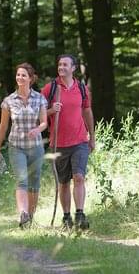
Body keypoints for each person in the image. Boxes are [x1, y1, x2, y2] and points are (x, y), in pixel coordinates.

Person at [41, 54, 95, 230]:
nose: (61, 67)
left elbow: (87, 112)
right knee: (63, 182)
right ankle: (66, 217)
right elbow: (37, 115)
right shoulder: (50, 89)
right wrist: (50, 110)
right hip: (58, 143)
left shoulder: (81, 88)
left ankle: (80, 214)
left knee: (79, 177)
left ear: (73, 68)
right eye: (59, 64)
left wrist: (92, 137)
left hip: (79, 141)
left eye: (65, 64)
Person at [0, 63, 48, 228]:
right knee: (22, 181)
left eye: (24, 75)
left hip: (36, 147)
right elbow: (3, 127)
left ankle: (30, 217)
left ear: (31, 78)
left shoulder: (39, 99)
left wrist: (38, 129)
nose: (20, 78)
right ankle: (23, 214)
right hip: (17, 147)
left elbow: (44, 122)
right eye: (18, 75)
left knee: (34, 182)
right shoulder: (9, 101)